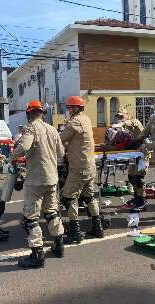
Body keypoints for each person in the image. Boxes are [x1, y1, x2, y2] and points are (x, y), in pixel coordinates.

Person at [9, 100, 65, 269]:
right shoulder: (52, 129)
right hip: (52, 179)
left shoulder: (30, 127)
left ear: (28, 114)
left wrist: (12, 157)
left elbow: (24, 146)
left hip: (36, 180)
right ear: (42, 113)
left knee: (31, 218)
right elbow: (61, 153)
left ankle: (37, 255)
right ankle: (59, 246)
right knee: (52, 213)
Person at [60, 96, 104, 244]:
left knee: (68, 197)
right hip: (90, 167)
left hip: (78, 168)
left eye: (70, 107)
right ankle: (98, 228)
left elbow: (60, 139)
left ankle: (76, 232)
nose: (68, 110)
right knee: (89, 197)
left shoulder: (74, 123)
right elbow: (76, 141)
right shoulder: (86, 119)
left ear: (76, 108)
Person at [115, 108, 149, 211]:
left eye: (122, 116)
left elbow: (131, 122)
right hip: (134, 155)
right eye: (118, 117)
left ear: (127, 115)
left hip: (142, 154)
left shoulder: (134, 122)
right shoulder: (125, 128)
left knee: (139, 178)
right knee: (131, 177)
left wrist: (122, 123)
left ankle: (142, 201)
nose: (120, 119)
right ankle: (136, 198)